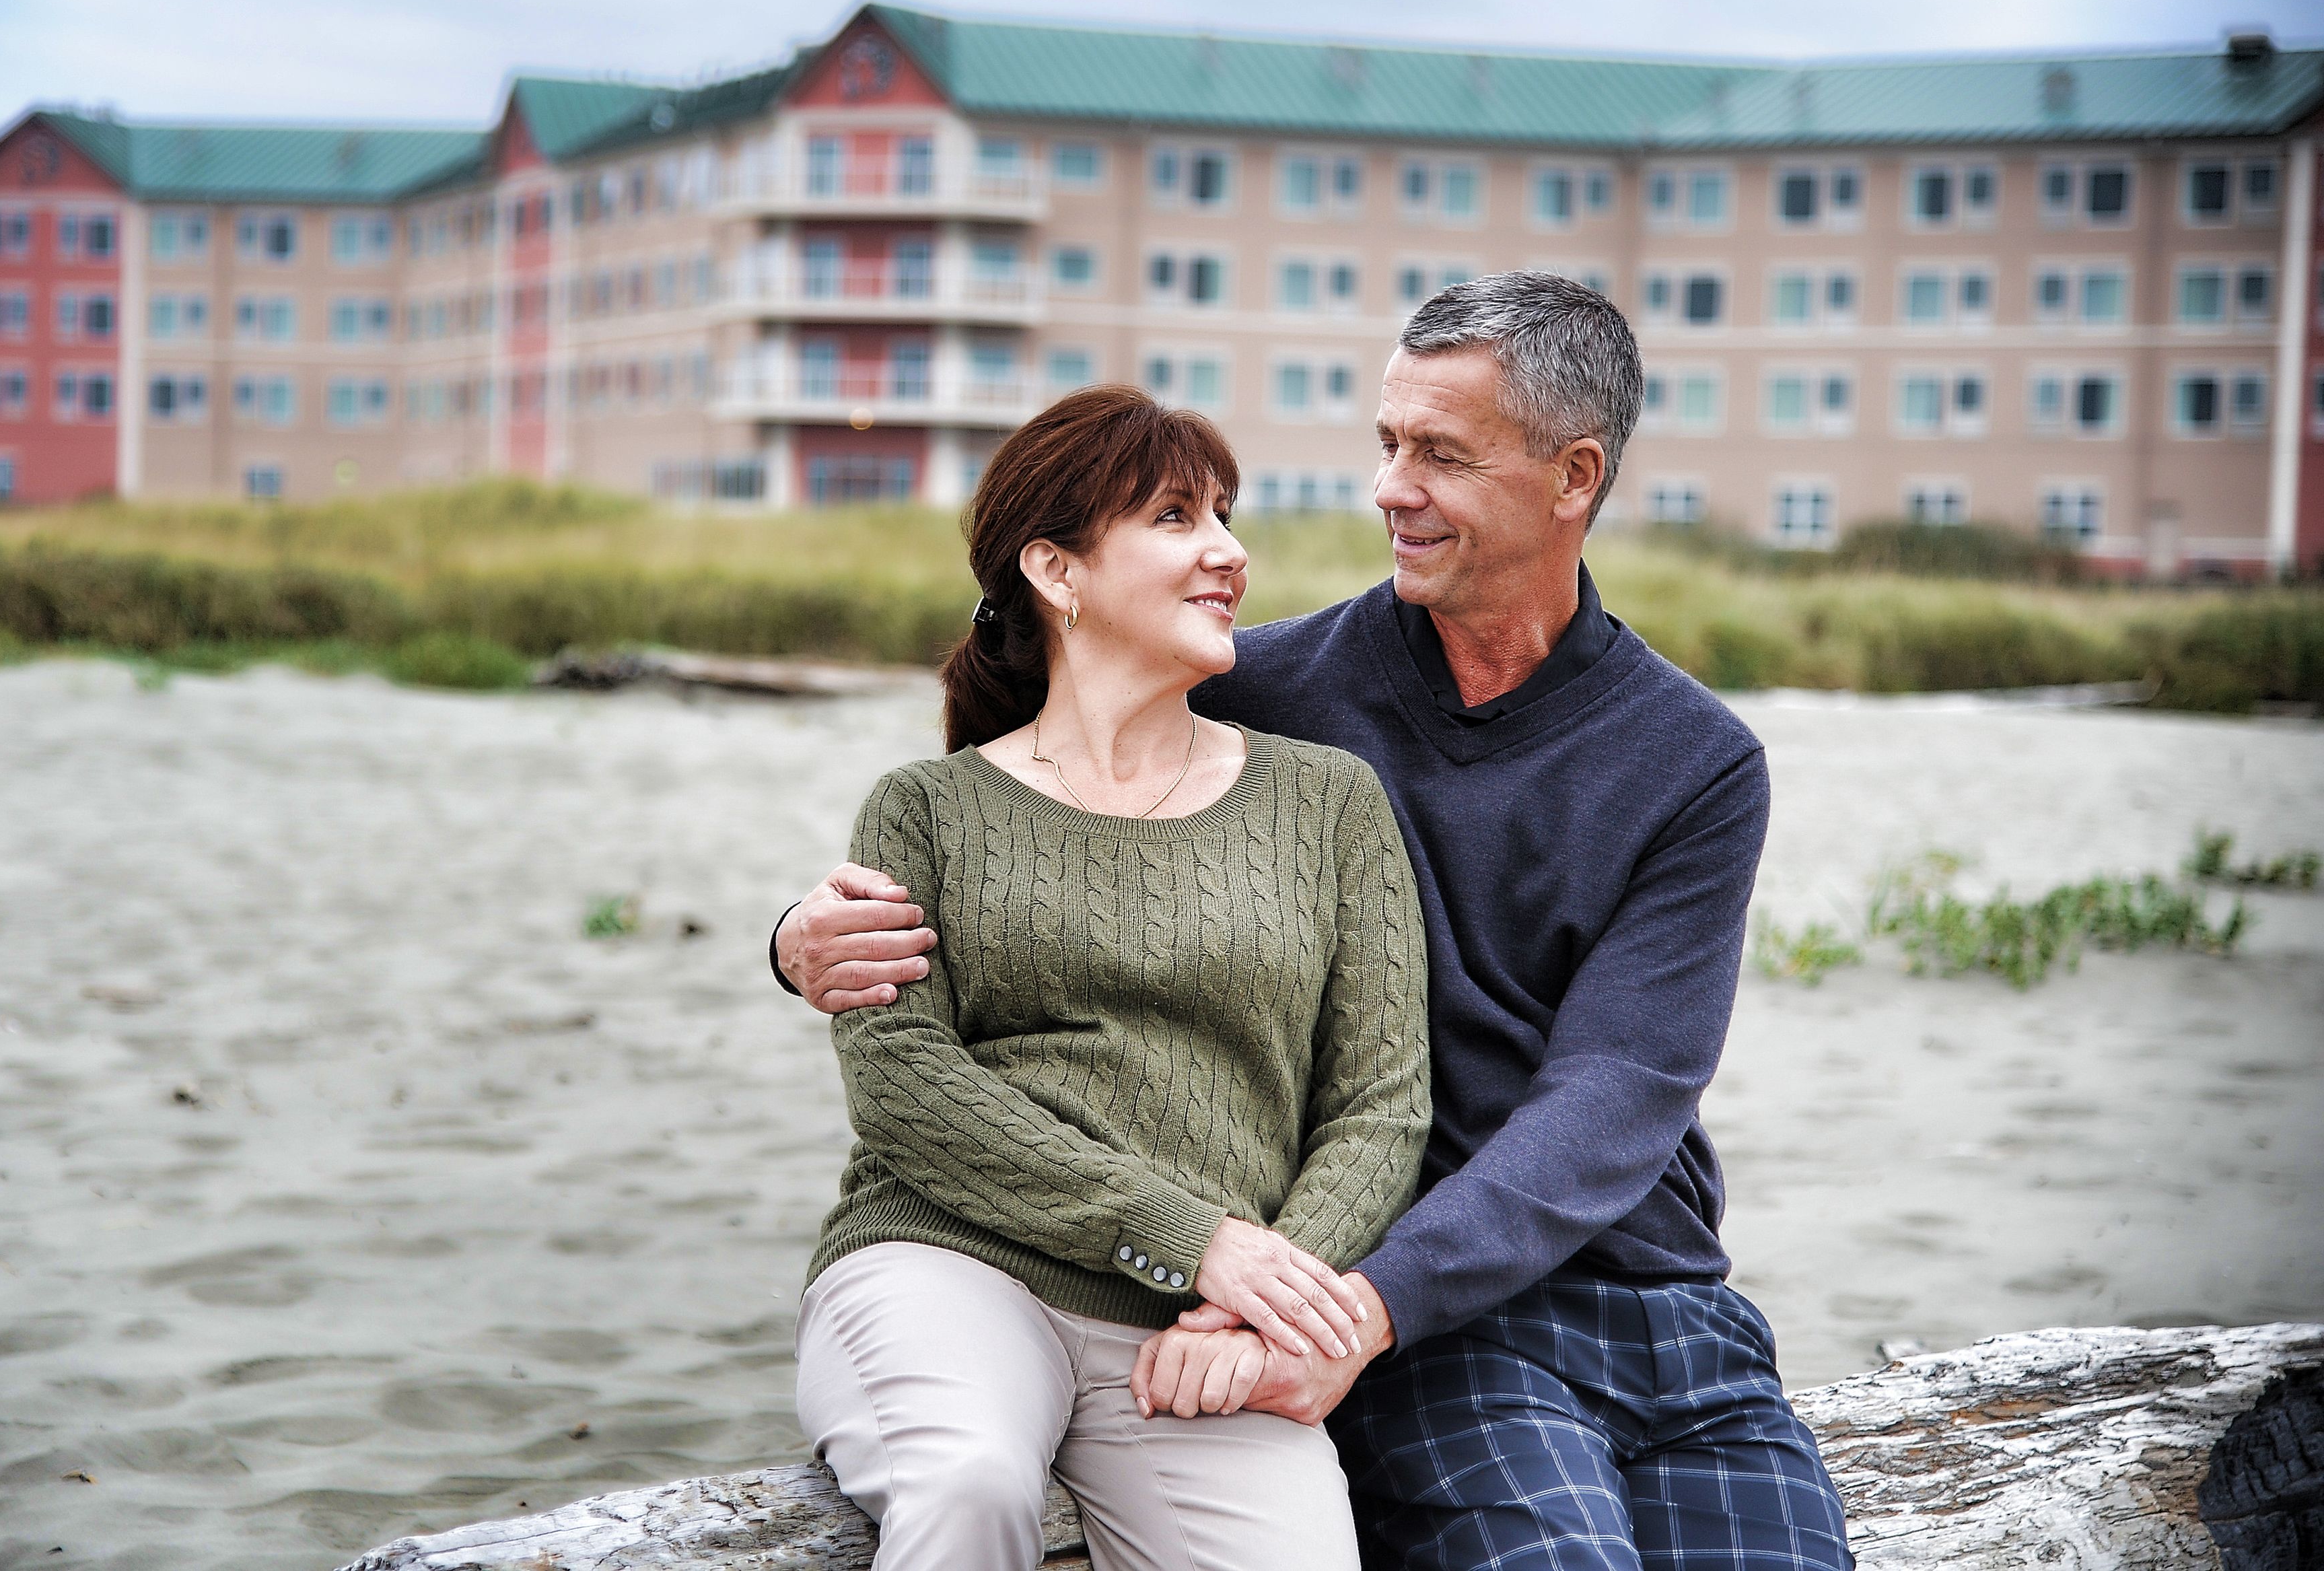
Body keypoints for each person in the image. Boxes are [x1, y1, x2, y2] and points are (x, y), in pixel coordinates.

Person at [777, 275, 1855, 1570]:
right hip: (1430, 1323)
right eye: (1388, 444)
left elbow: (1616, 1093)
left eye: (1441, 455)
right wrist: (799, 940)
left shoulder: (1695, 758)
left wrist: (1341, 1303)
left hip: (1638, 1297)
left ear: (1574, 477)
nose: (1392, 488)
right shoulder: (1268, 686)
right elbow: (1012, 807)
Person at [792, 383, 1432, 1571]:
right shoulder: (927, 808)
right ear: (1056, 569)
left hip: (1199, 1329)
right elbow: (902, 1088)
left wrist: (1256, 1299)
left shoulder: (1329, 802)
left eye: (1226, 516)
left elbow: (1381, 1106)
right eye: (1178, 518)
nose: (1230, 553)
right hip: (952, 1267)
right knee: (973, 1484)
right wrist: (1190, 1235)